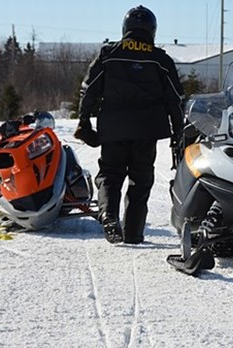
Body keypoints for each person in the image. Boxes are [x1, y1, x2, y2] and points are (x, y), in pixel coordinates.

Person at [74, 5, 184, 244]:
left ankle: (108, 216)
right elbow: (175, 100)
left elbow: (88, 91)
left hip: (113, 128)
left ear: (125, 28)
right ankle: (134, 233)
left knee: (110, 175)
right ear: (152, 30)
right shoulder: (161, 60)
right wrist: (179, 134)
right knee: (141, 180)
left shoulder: (108, 54)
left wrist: (84, 121)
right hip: (147, 130)